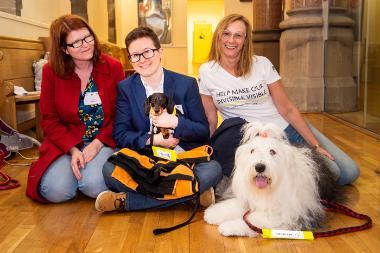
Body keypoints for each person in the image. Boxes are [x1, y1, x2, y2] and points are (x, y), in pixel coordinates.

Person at [198, 14, 359, 186]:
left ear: (245, 39)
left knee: (349, 172)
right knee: (332, 172)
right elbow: (211, 119)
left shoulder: (262, 64)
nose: (231, 40)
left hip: (286, 128)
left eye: (238, 35)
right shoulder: (207, 71)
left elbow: (287, 108)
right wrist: (205, 152)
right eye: (226, 34)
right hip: (256, 136)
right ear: (218, 36)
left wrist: (315, 145)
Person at [95, 27, 222, 212]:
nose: (142, 60)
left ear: (160, 52)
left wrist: (176, 123)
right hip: (145, 161)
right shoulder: (125, 88)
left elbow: (202, 130)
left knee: (214, 169)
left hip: (181, 158)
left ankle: (127, 202)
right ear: (130, 59)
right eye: (135, 55)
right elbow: (120, 134)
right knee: (109, 170)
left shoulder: (186, 84)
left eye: (147, 52)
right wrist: (153, 140)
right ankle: (190, 194)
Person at [26, 14, 125, 202]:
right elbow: (49, 119)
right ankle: (74, 175)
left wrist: (97, 145)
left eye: (88, 37)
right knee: (55, 191)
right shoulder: (51, 71)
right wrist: (72, 150)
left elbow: (121, 115)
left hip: (103, 139)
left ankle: (85, 176)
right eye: (76, 43)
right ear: (64, 49)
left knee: (93, 186)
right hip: (67, 141)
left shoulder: (113, 67)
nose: (86, 44)